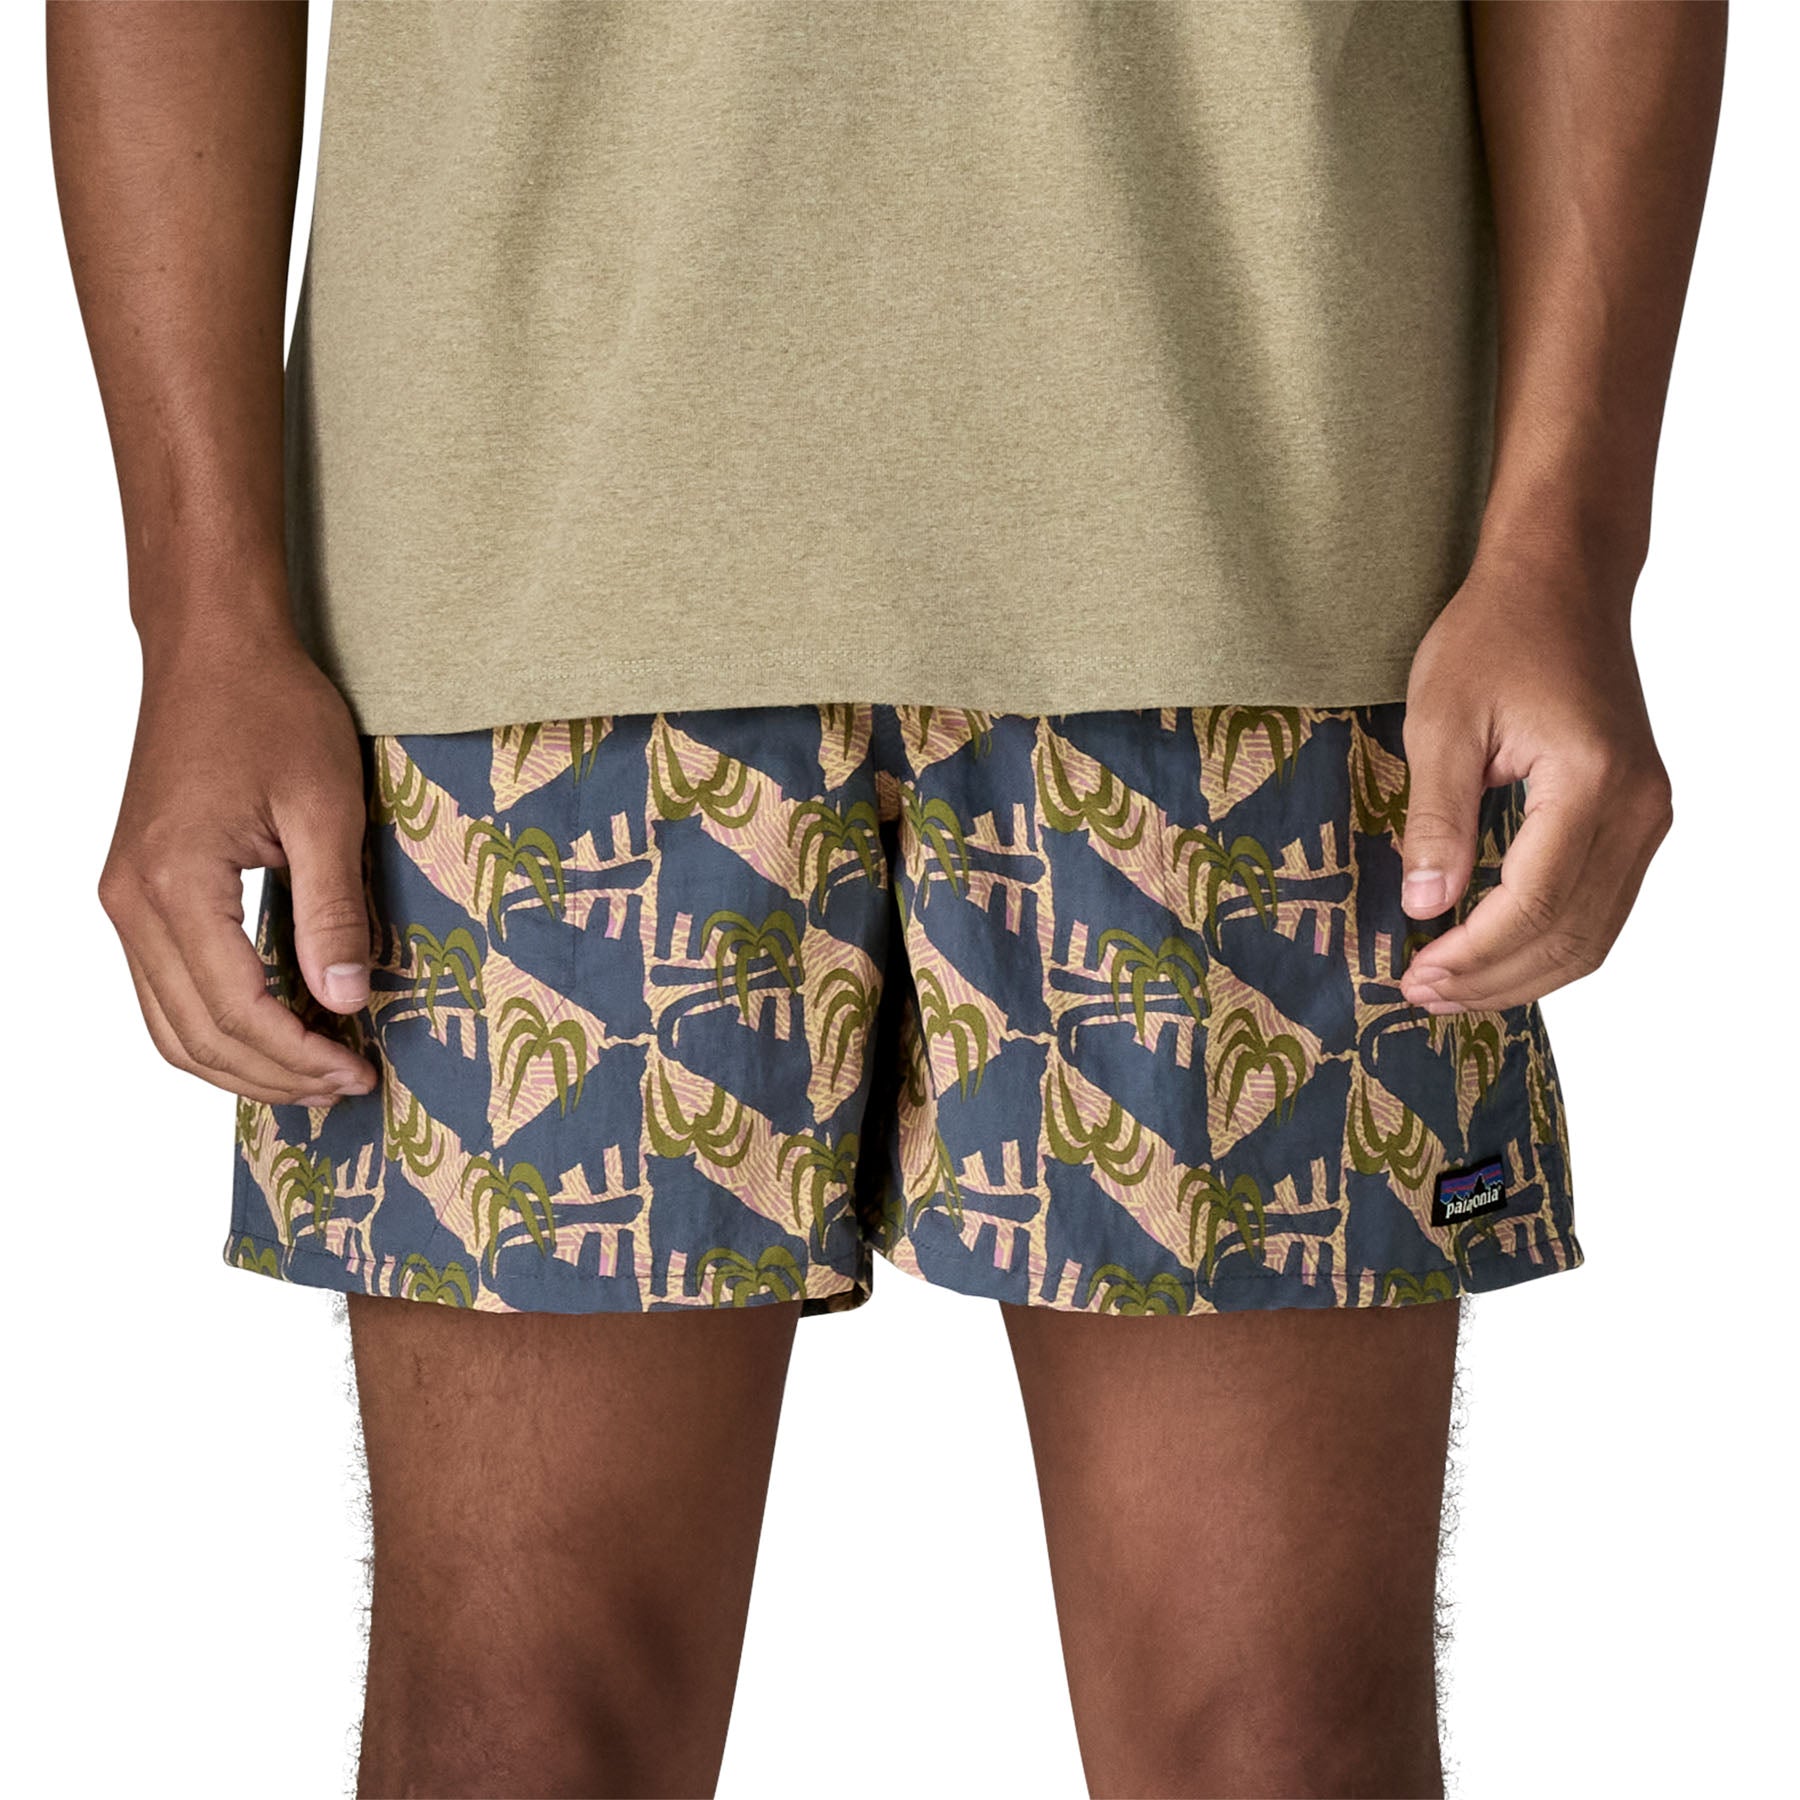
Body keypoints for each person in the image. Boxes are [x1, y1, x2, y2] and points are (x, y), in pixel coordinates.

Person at [47, 2, 1724, 1795]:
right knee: (513, 1732)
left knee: (1282, 1742)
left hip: (1262, 551)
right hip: (523, 578)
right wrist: (201, 614)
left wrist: (1569, 548)